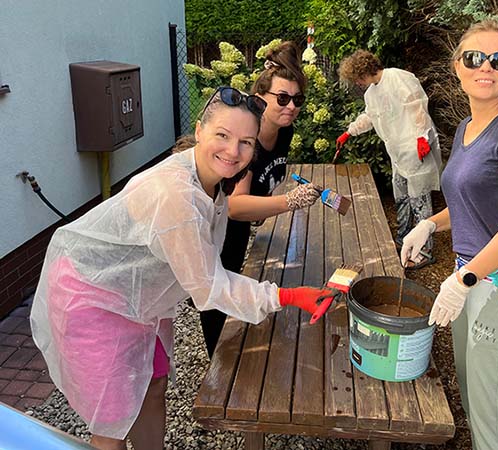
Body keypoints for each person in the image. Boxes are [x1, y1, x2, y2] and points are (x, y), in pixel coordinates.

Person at [30, 86, 336, 450]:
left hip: (138, 291)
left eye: (246, 142)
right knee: (112, 422)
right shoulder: (175, 195)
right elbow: (208, 286)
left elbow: (205, 261)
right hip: (91, 292)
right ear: (200, 130)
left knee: (154, 382)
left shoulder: (212, 180)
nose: (233, 151)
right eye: (222, 135)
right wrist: (287, 295)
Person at [401, 20, 498, 450]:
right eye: (474, 57)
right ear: (457, 67)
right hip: (470, 279)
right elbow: (474, 201)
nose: (486, 67)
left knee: (493, 429)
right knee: (474, 406)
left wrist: (464, 280)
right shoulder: (469, 126)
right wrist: (430, 223)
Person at [199, 41, 318, 358]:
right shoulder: (248, 141)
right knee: (215, 292)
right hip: (213, 222)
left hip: (234, 225)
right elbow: (236, 206)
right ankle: (219, 371)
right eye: (281, 98)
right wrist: (288, 202)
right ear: (259, 99)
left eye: (297, 99)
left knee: (234, 283)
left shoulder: (284, 131)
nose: (291, 106)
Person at [336, 50, 442, 269]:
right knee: (402, 198)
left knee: (420, 201)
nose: (358, 82)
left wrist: (422, 137)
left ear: (364, 70)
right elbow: (370, 117)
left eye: (357, 77)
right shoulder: (371, 93)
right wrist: (350, 131)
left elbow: (417, 105)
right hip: (397, 154)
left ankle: (425, 250)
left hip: (414, 149)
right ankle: (404, 238)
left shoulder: (397, 77)